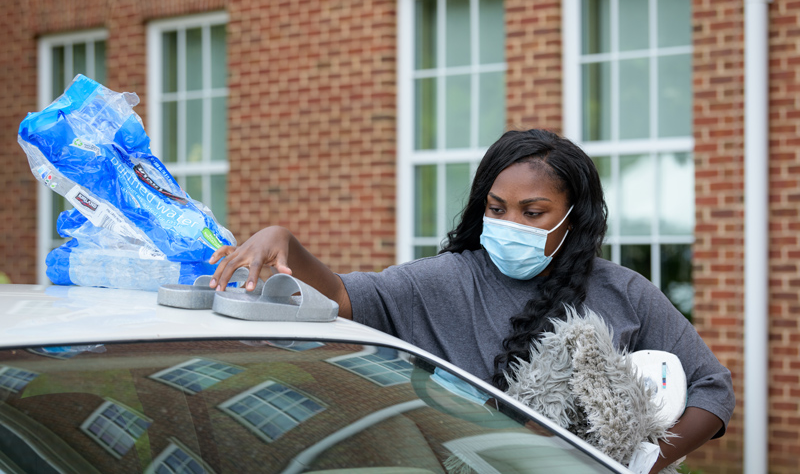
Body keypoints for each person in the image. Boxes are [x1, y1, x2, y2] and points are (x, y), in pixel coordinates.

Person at [209, 129, 734, 472]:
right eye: (497, 208)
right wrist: (285, 241)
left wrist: (641, 461)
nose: (510, 225)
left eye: (533, 213)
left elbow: (712, 388)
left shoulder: (624, 292)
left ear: (576, 218)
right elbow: (343, 298)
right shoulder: (442, 281)